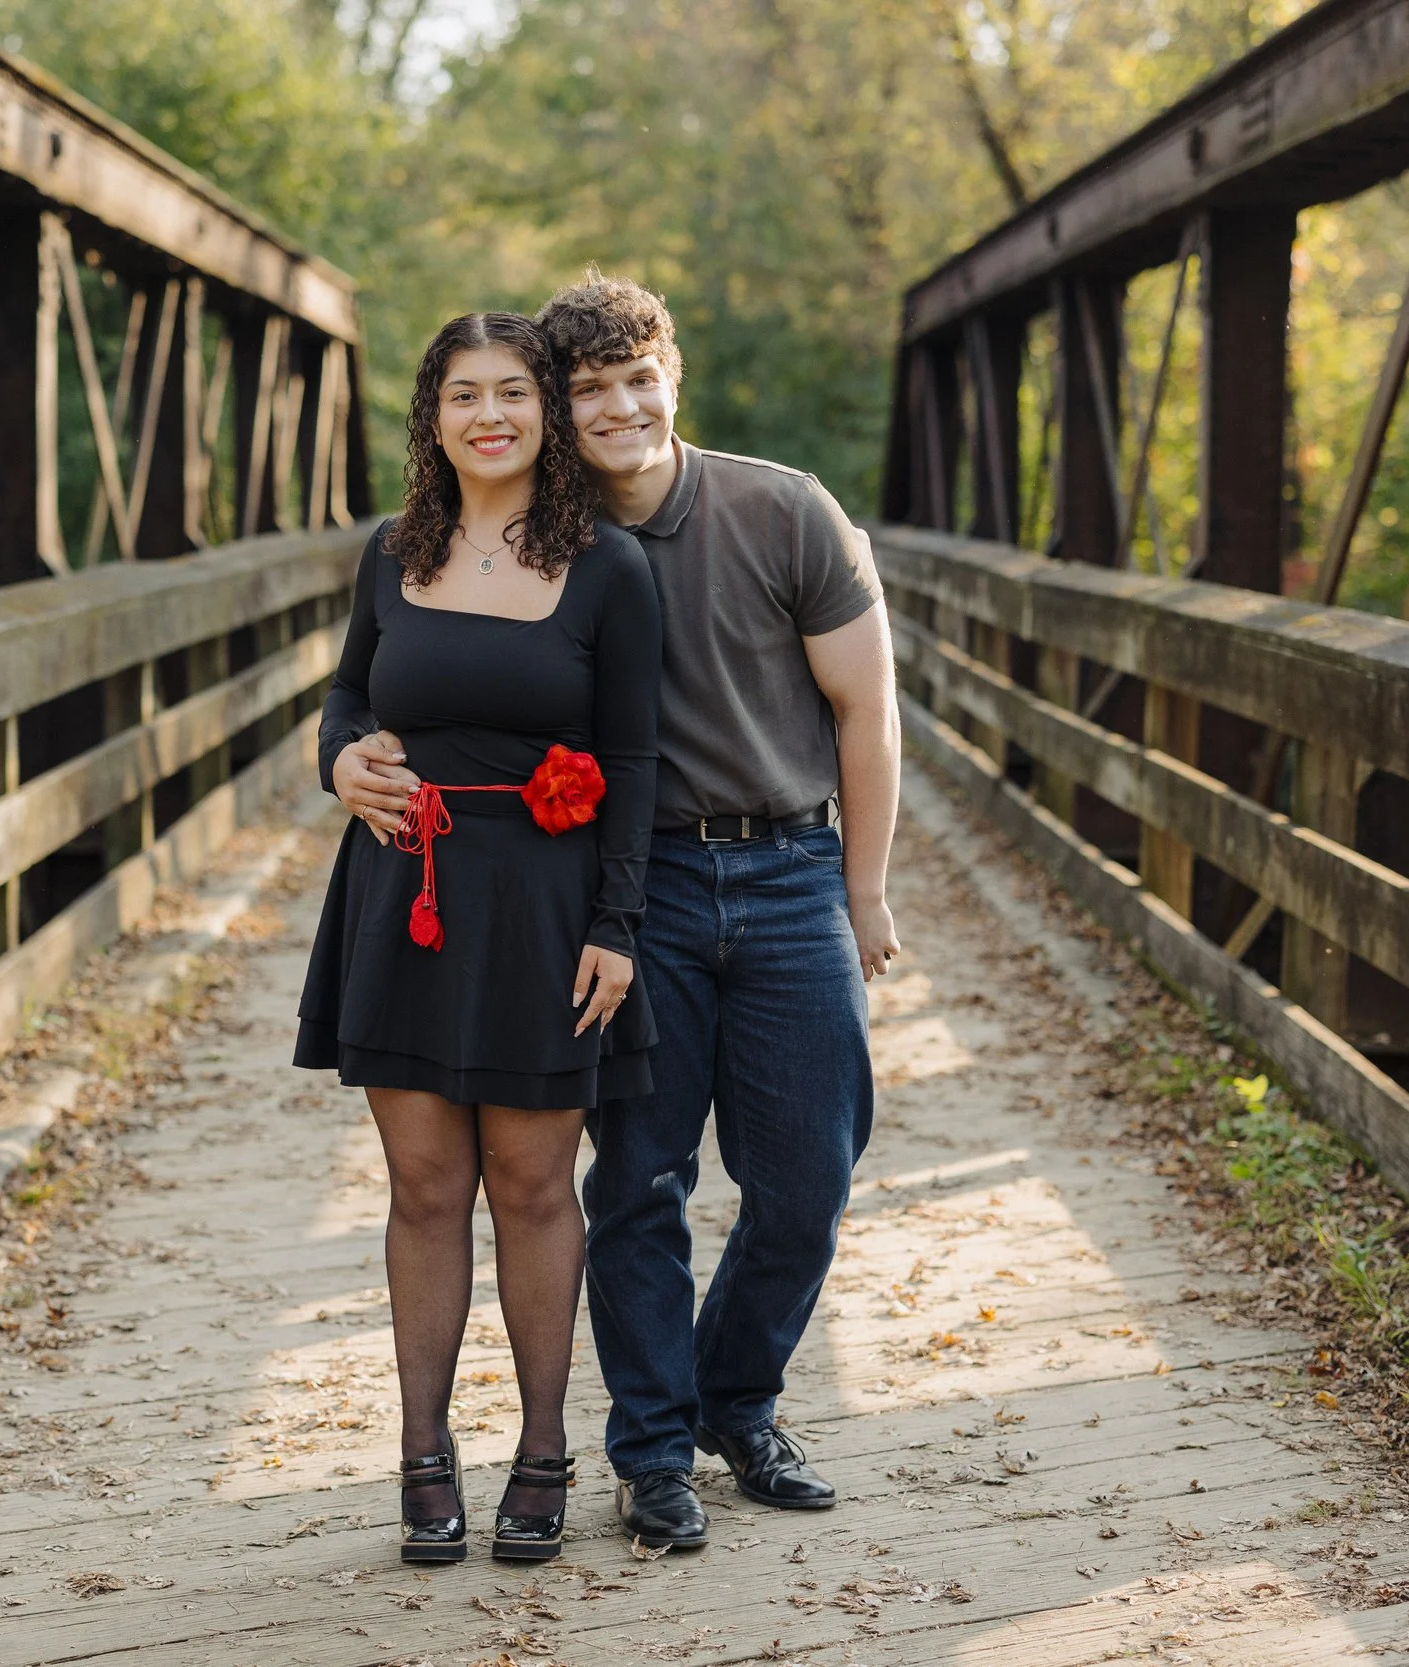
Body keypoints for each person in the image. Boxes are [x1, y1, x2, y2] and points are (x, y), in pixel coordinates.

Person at [336, 273, 899, 1553]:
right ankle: (650, 1452)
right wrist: (346, 756)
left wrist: (863, 881)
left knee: (808, 1175)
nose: (615, 406)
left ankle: (734, 1399)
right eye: (583, 389)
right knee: (637, 1173)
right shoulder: (504, 529)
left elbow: (868, 707)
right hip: (611, 882)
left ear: (674, 376)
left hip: (780, 865)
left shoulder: (778, 509)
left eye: (634, 378)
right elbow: (378, 677)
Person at [295, 312, 662, 1567]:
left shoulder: (608, 566)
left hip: (547, 909)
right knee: (425, 1185)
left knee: (531, 1184)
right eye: (465, 393)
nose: (489, 414)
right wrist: (340, 757)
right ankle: (421, 1453)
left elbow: (633, 757)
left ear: (545, 415)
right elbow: (350, 689)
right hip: (404, 894)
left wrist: (620, 923)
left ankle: (545, 1447)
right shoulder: (391, 550)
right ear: (432, 413)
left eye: (513, 392)